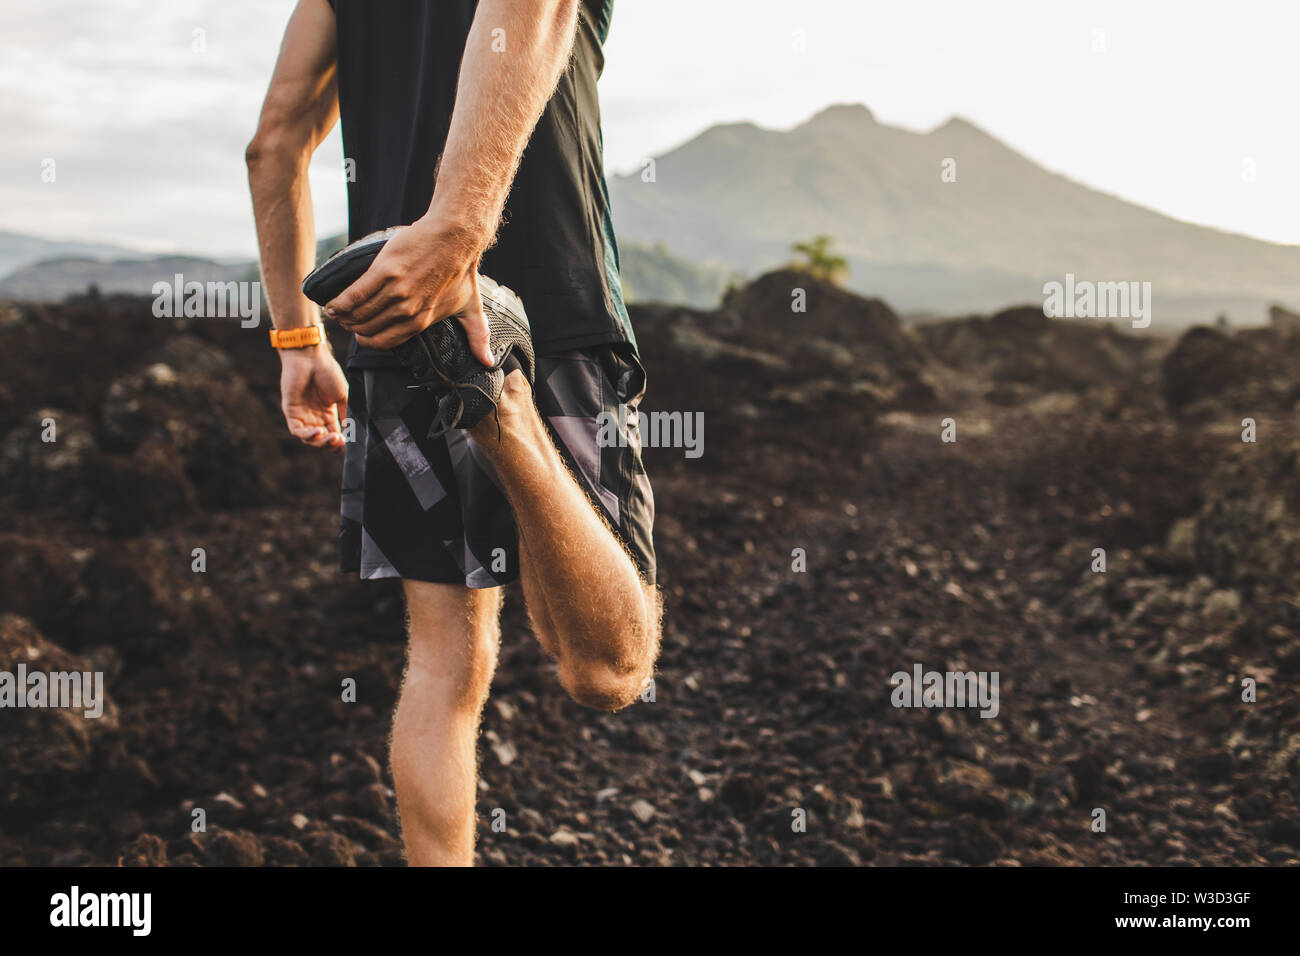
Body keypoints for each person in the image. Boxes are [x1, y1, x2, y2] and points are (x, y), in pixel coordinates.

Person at [245, 0, 660, 866]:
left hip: (392, 317)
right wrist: (458, 237)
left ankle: (477, 390)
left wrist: (296, 339)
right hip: (550, 300)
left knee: (443, 664)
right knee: (608, 670)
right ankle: (498, 404)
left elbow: (276, 139)